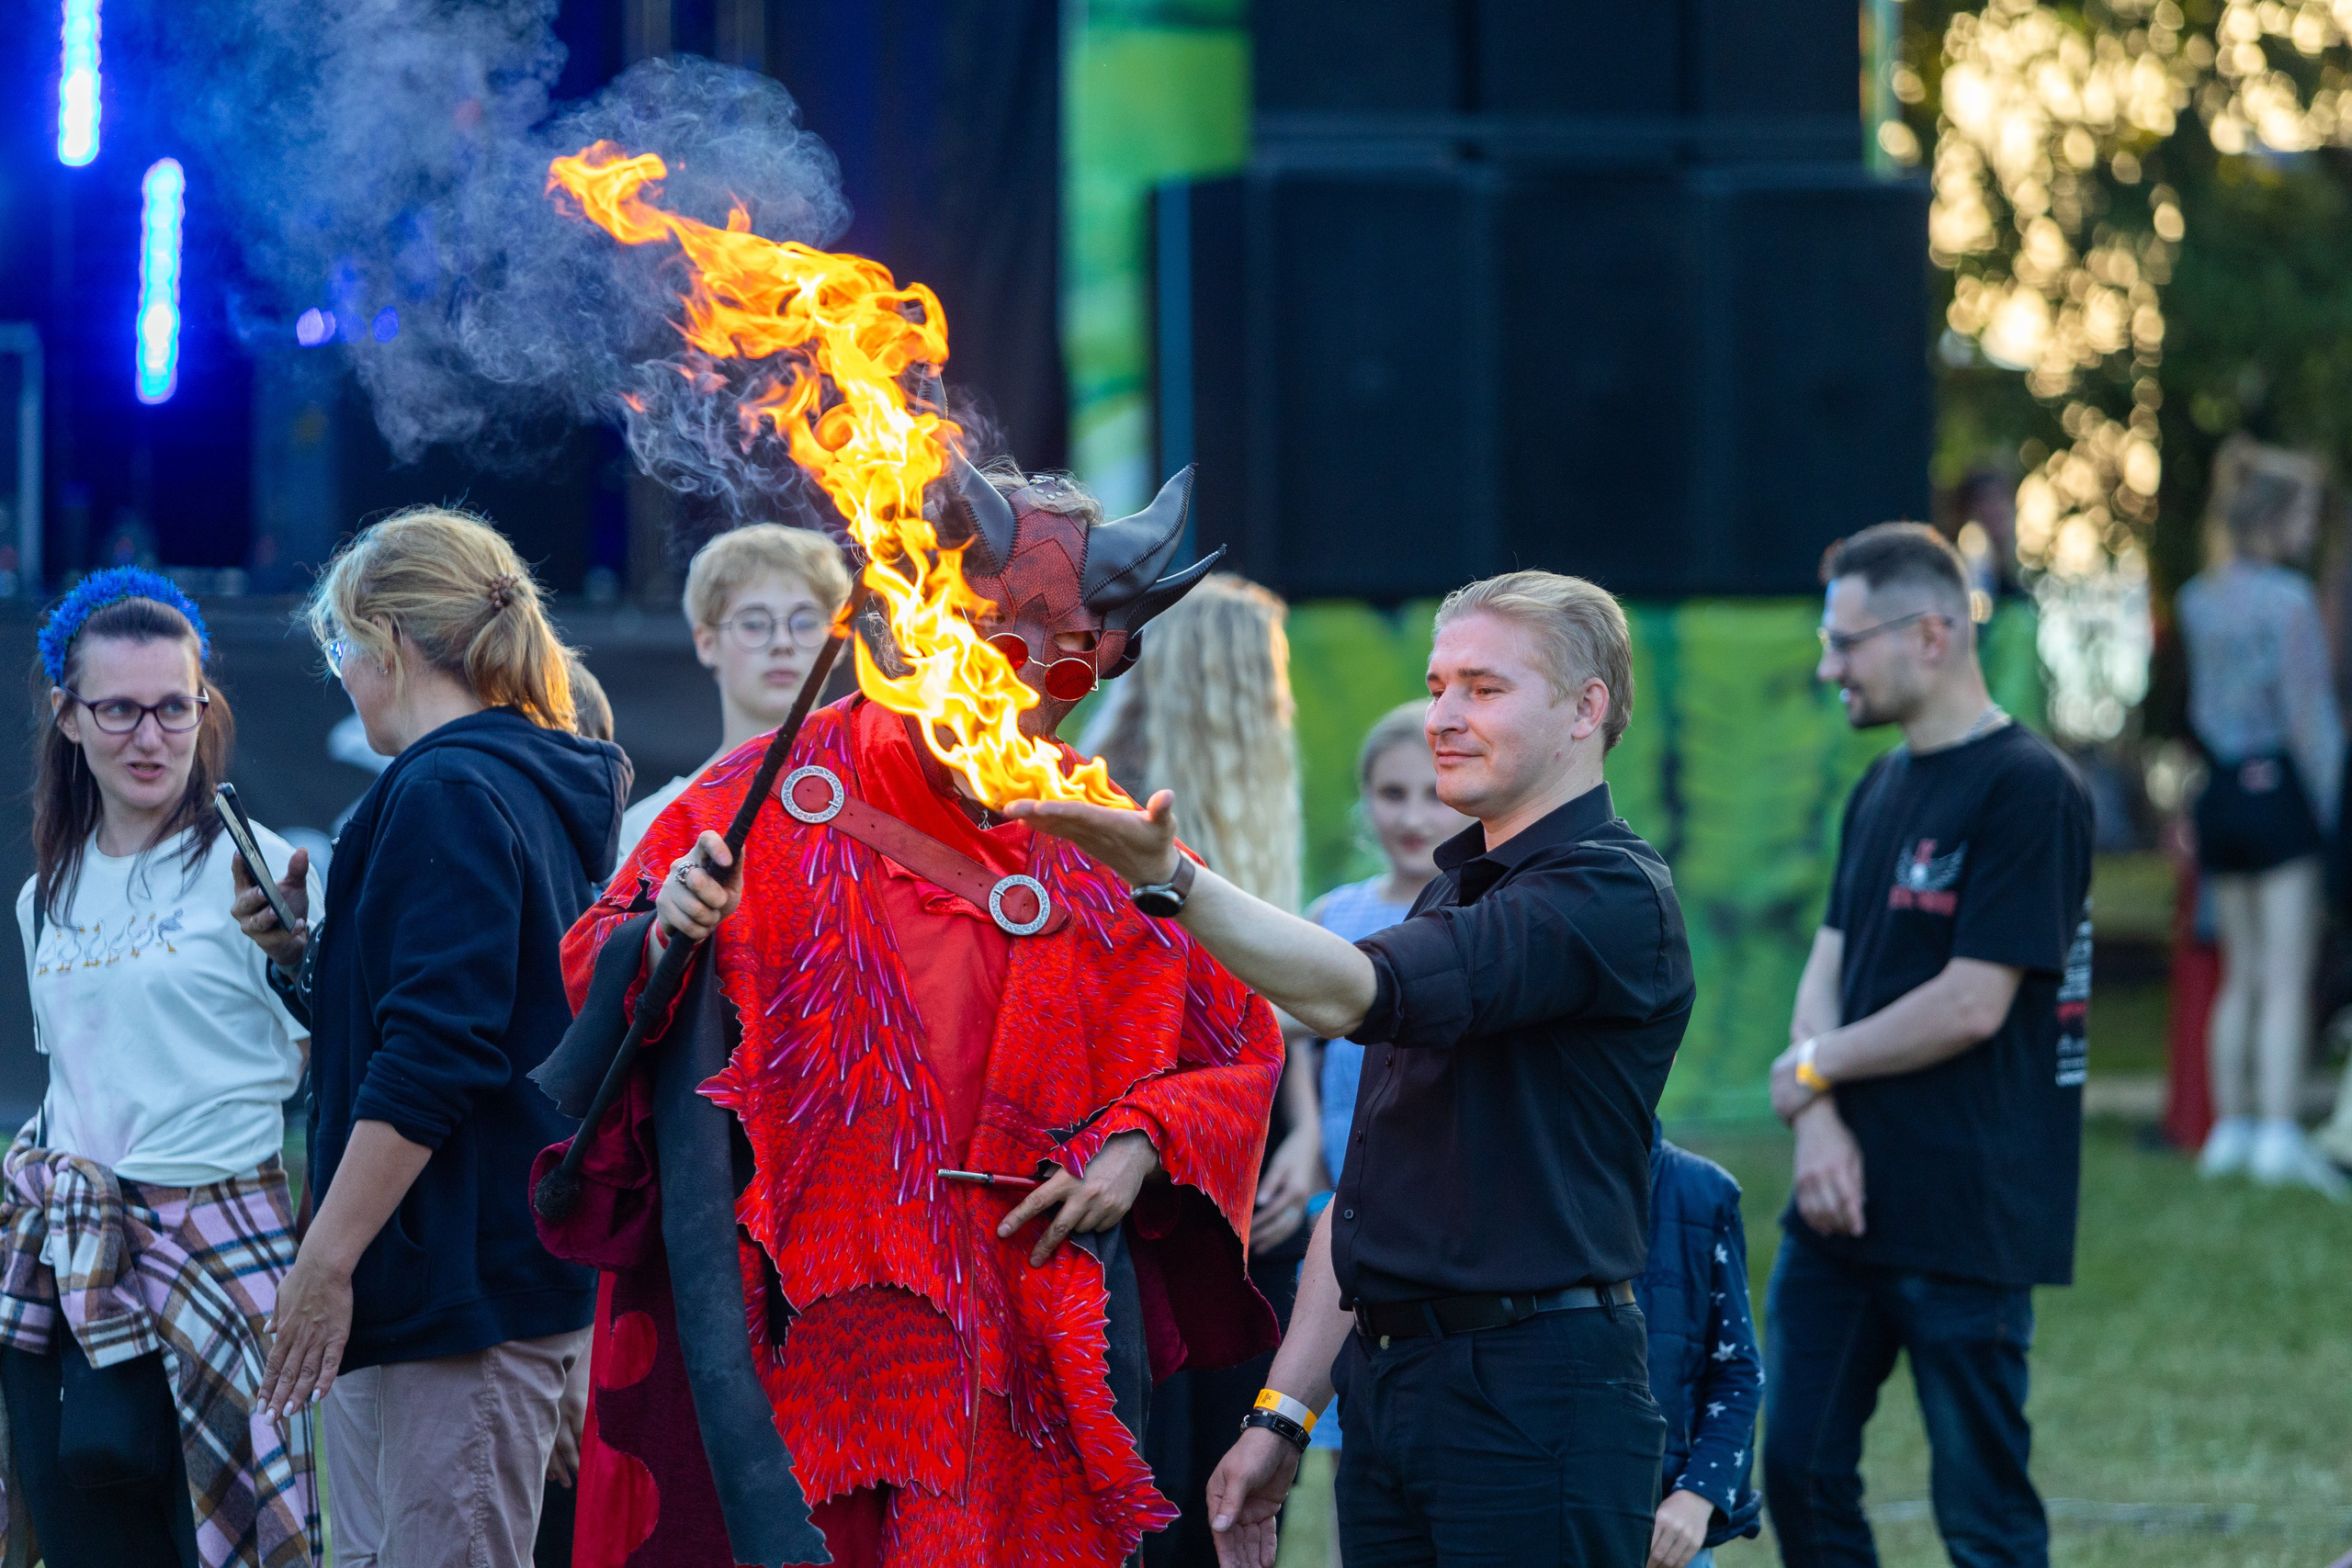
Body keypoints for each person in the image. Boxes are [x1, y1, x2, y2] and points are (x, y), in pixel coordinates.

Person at [534, 457, 1284, 1568]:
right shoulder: (770, 791)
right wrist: (671, 926)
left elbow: (1236, 1049)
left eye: (1069, 658)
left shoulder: (1108, 837)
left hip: (1012, 1336)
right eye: (1003, 649)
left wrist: (1136, 1145)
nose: (1026, 686)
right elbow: (599, 961)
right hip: (804, 1330)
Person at [1013, 568, 1690, 1568]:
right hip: (1393, 1394)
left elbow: (1340, 994)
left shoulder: (1606, 895)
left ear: (1586, 709)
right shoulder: (1454, 893)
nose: (1443, 716)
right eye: (1437, 684)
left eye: (1484, 689)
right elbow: (1367, 1193)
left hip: (1537, 1399)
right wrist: (1282, 1416)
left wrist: (1166, 878)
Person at [230, 508, 630, 1568]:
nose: (344, 679)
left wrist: (324, 1257)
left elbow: (439, 1056)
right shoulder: (508, 779)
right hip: (462, 1289)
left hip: (456, 1295)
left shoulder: (449, 787)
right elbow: (448, 1023)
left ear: (392, 643)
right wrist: (303, 956)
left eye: (341, 652)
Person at [1763, 523, 2093, 1568]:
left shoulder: (2028, 788)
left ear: (1935, 633)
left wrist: (1813, 1068)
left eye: (1845, 642)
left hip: (1967, 1213)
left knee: (1983, 1518)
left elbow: (1970, 1003)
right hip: (1840, 1206)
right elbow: (1826, 963)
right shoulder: (1881, 787)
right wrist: (1817, 1120)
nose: (1827, 667)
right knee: (1800, 1475)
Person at [0, 569, 323, 1568]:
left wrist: (296, 954)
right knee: (86, 1543)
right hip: (75, 1260)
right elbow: (74, 1083)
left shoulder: (256, 868)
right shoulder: (43, 893)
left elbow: (331, 1036)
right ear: (68, 717)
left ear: (203, 709)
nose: (150, 737)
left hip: (221, 1251)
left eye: (174, 707)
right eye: (121, 709)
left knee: (231, 1549)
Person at [1091, 572, 1317, 1567]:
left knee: (1244, 1446)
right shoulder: (1110, 793)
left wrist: (1304, 1136)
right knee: (1163, 1464)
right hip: (1152, 1156)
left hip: (1252, 1150)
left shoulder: (1256, 795)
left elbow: (1270, 1004)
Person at [2173, 441, 2346, 1193]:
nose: (2310, 529)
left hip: (2217, 792)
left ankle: (2229, 1129)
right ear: (2275, 517)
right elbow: (2308, 715)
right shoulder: (2288, 600)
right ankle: (2277, 1131)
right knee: (2284, 973)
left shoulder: (2197, 598)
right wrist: (2335, 803)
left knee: (2239, 971)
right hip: (2278, 791)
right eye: (2304, 513)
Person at [614, 523, 853, 861]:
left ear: (838, 642)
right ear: (707, 643)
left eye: (805, 621)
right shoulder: (650, 830)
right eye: (754, 623)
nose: (782, 643)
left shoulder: (888, 807)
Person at [1634, 1126, 1761, 1568]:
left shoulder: (1702, 1192)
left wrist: (1698, 1495)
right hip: (1551, 1513)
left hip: (1666, 1534)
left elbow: (1738, 1372)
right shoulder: (1525, 1189)